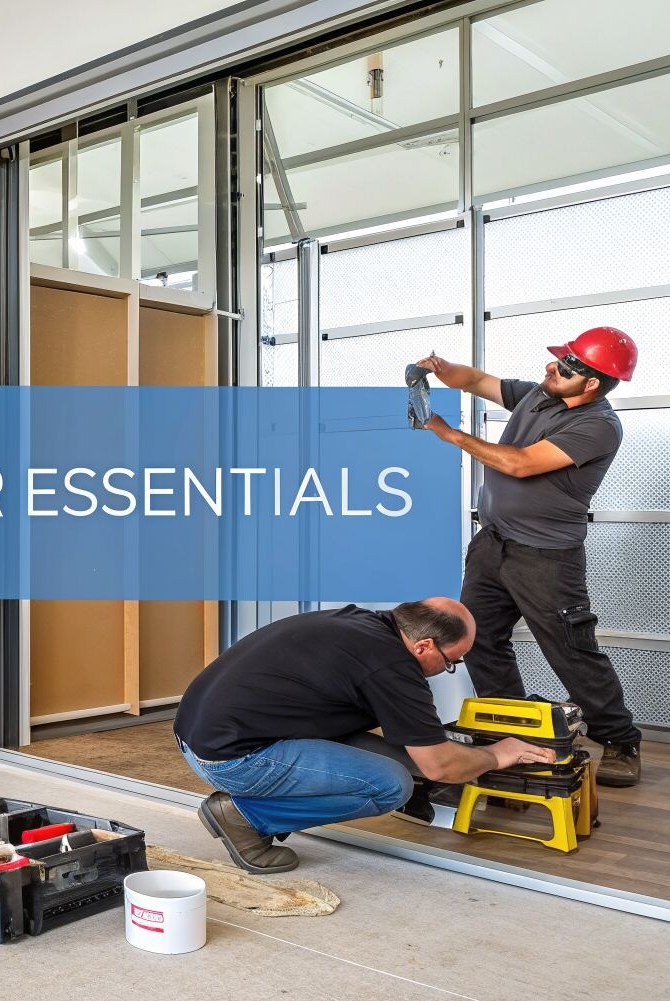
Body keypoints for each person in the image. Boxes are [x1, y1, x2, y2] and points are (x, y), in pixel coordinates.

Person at [415, 326, 643, 787]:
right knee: (476, 638)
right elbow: (478, 380)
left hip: (546, 558)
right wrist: (440, 370)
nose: (550, 367)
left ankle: (620, 739)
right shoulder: (541, 394)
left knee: (570, 648)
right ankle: (512, 735)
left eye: (564, 365)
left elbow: (518, 463)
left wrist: (448, 434)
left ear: (591, 382)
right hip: (492, 544)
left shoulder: (597, 426)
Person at [175, 599, 556, 874]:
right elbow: (438, 766)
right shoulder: (390, 666)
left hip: (202, 734)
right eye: (451, 661)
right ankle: (246, 815)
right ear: (423, 645)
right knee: (392, 785)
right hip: (233, 758)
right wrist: (498, 754)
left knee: (407, 759)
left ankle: (257, 805)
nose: (448, 670)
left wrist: (460, 753)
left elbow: (418, 742)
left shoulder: (362, 624)